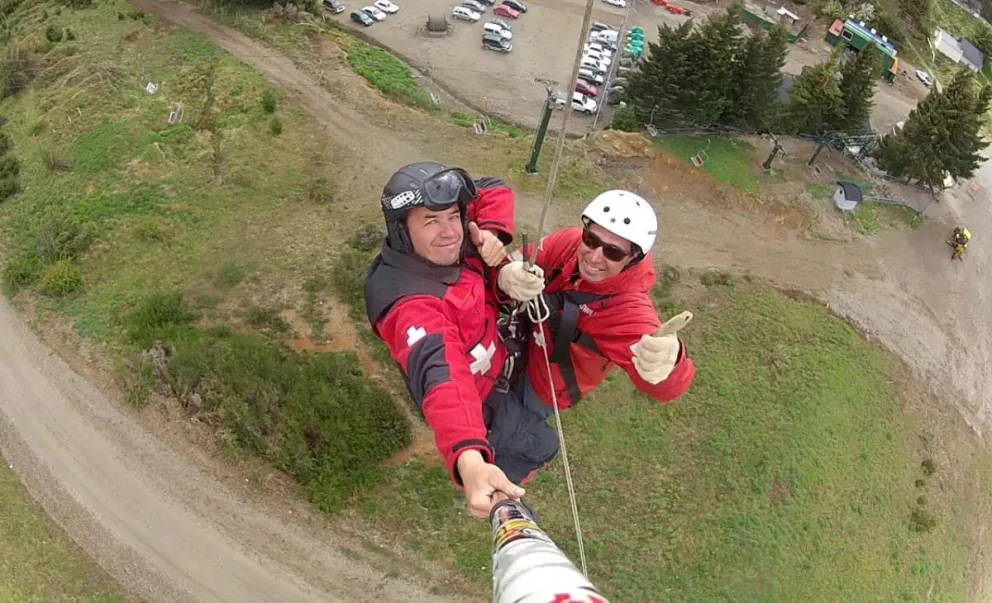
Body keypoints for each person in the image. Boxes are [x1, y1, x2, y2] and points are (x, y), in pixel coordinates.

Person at [363, 161, 547, 520]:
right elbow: (441, 372)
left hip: (500, 367)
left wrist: (491, 235)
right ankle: (505, 491)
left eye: (453, 216)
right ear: (402, 232)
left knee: (537, 426)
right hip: (480, 403)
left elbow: (493, 186)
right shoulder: (409, 303)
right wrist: (470, 460)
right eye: (431, 221)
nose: (450, 232)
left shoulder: (452, 245)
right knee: (542, 444)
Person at [496, 190, 696, 476]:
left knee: (508, 430)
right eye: (590, 240)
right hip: (523, 342)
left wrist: (672, 362)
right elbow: (512, 264)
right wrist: (506, 275)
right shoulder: (568, 244)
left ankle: (496, 472)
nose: (594, 256)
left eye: (613, 252)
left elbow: (666, 386)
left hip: (544, 386)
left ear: (633, 258)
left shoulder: (628, 311)